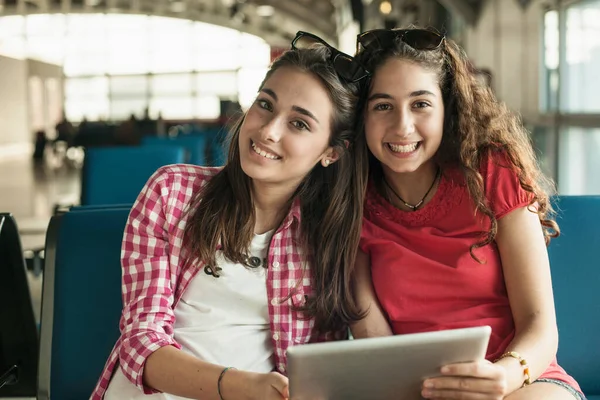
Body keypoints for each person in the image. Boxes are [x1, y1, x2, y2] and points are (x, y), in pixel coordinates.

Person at [91, 31, 369, 400]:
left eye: (299, 124)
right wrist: (240, 386)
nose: (268, 131)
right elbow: (141, 345)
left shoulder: (328, 234)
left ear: (331, 153)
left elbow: (318, 367)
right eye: (265, 105)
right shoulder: (172, 193)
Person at [351, 28, 585, 400]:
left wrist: (504, 377)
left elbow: (541, 327)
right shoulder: (352, 200)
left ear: (448, 109)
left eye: (420, 104)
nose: (402, 126)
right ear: (361, 116)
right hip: (416, 390)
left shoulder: (492, 170)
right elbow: (372, 336)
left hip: (519, 380)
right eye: (383, 106)